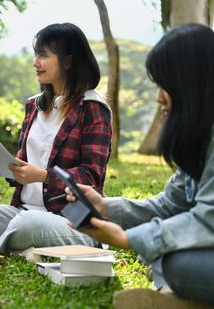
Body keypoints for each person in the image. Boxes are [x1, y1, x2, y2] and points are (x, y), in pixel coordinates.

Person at [65, 23, 214, 308]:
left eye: (165, 85)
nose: (160, 97)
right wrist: (106, 208)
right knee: (159, 247)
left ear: (191, 84)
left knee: (172, 259)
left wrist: (126, 238)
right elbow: (170, 206)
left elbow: (208, 219)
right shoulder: (201, 136)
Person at [0, 23, 112, 256]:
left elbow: (91, 177)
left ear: (68, 61)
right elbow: (27, 160)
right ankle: (5, 247)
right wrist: (9, 168)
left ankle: (6, 244)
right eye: (36, 54)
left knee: (27, 224)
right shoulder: (35, 105)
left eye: (43, 55)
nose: (36, 62)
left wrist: (42, 176)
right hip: (21, 211)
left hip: (70, 219)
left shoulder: (92, 108)